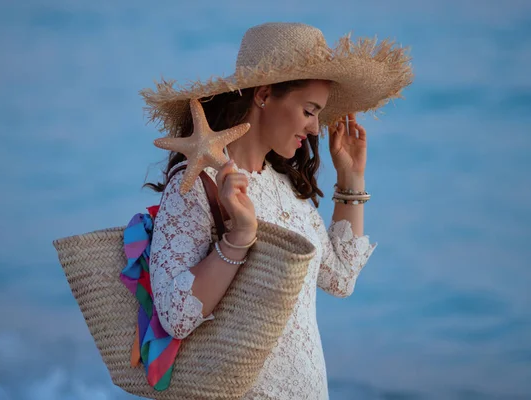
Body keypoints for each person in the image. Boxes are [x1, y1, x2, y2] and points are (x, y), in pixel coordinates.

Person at [142, 22, 412, 400]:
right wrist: (238, 240)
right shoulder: (195, 185)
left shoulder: (287, 188)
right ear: (265, 95)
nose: (316, 128)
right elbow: (175, 316)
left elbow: (340, 279)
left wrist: (351, 179)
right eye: (309, 110)